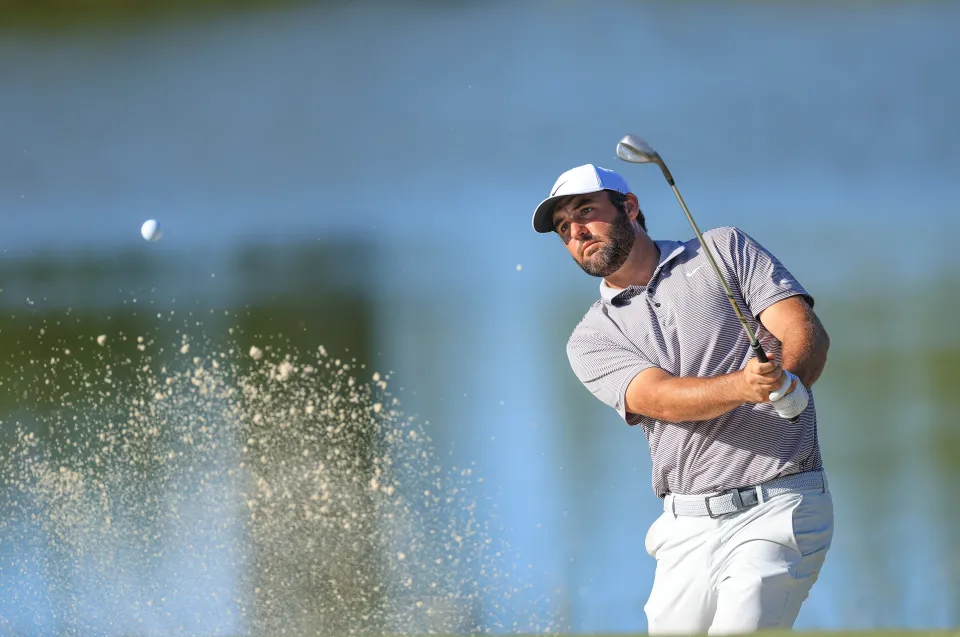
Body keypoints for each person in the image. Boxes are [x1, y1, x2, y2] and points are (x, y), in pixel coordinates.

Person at [531, 164, 834, 635]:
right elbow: (663, 399)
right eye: (563, 228)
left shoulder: (723, 250)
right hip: (685, 528)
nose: (577, 232)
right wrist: (747, 385)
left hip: (778, 505)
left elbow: (802, 330)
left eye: (587, 212)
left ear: (630, 207)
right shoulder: (590, 338)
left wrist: (790, 380)